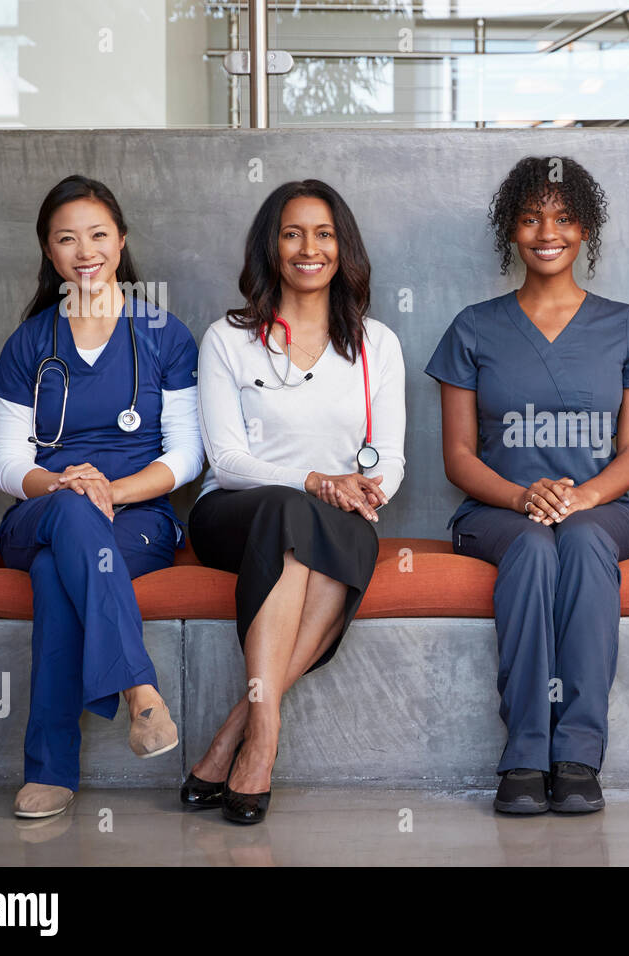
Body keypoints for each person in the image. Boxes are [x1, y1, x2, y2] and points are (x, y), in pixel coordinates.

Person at [425, 156, 629, 814]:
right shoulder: (474, 327)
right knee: (533, 547)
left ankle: (578, 755)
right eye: (530, 218)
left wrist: (583, 497)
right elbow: (456, 455)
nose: (546, 232)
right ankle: (525, 756)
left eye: (563, 218)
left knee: (585, 541)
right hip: (497, 513)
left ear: (585, 230)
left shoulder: (625, 325)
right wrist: (520, 497)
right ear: (511, 228)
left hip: (604, 509)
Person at [185, 180, 405, 824]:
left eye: (324, 233)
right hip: (234, 514)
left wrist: (367, 489)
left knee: (322, 529)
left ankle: (236, 734)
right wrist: (314, 480)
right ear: (271, 247)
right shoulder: (228, 338)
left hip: (337, 516)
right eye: (292, 233)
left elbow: (389, 459)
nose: (309, 248)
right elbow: (224, 462)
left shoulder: (376, 345)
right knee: (292, 511)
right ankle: (266, 744)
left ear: (344, 248)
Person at [0, 175, 203, 819]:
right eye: (66, 239)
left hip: (138, 521)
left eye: (98, 235)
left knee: (58, 575)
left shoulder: (165, 334)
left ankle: (51, 771)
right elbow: (6, 464)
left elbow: (188, 456)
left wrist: (110, 489)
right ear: (49, 255)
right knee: (70, 519)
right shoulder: (29, 343)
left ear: (122, 242)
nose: (85, 251)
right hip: (41, 511)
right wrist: (64, 485)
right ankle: (140, 690)